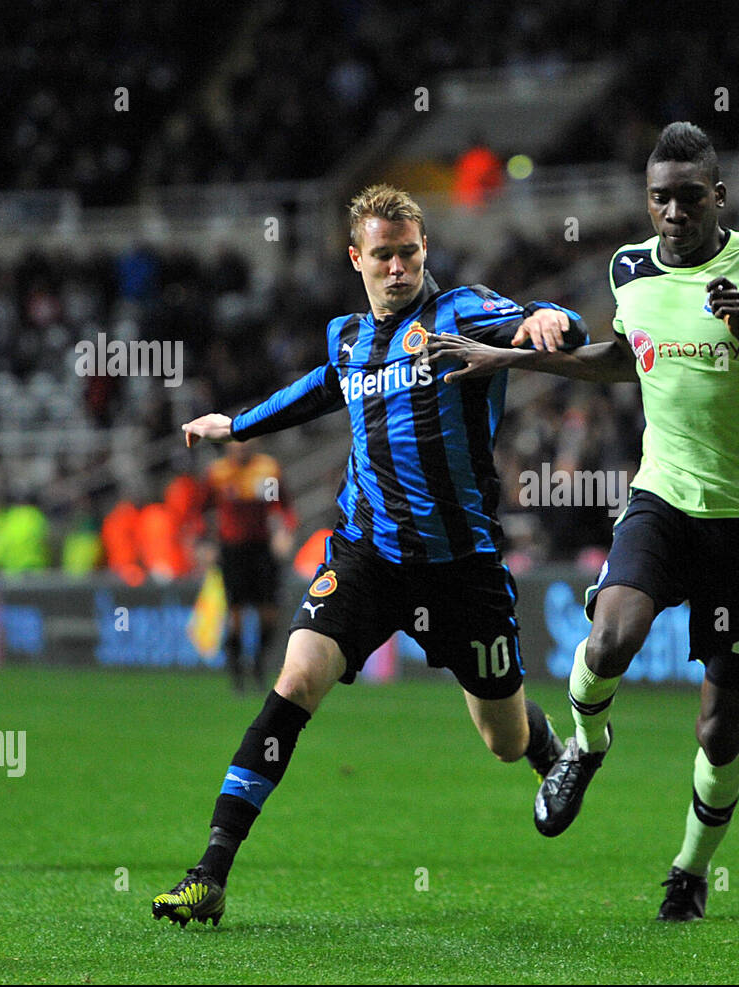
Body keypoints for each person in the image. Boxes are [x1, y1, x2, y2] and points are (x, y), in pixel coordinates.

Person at [152, 183, 588, 927]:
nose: (397, 267)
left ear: (425, 252)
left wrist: (553, 318)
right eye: (381, 255)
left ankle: (552, 746)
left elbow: (555, 326)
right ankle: (211, 873)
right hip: (366, 557)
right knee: (295, 680)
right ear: (356, 257)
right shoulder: (346, 337)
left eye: (409, 252)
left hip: (462, 568)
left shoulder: (464, 312)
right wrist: (240, 424)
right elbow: (325, 387)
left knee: (502, 737)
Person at [427, 122, 739, 922]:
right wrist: (513, 359)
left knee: (719, 725)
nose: (672, 212)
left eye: (687, 197)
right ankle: (585, 746)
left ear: (719, 196)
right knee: (608, 639)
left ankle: (689, 868)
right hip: (663, 498)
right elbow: (622, 355)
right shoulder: (629, 267)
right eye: (658, 198)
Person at [202, 440, 296, 690]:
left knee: (269, 615)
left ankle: (258, 662)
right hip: (232, 550)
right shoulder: (218, 473)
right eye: (235, 444)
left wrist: (283, 533)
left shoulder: (266, 469)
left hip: (262, 550)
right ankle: (236, 671)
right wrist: (205, 544)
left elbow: (279, 505)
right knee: (236, 616)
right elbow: (203, 511)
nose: (240, 448)